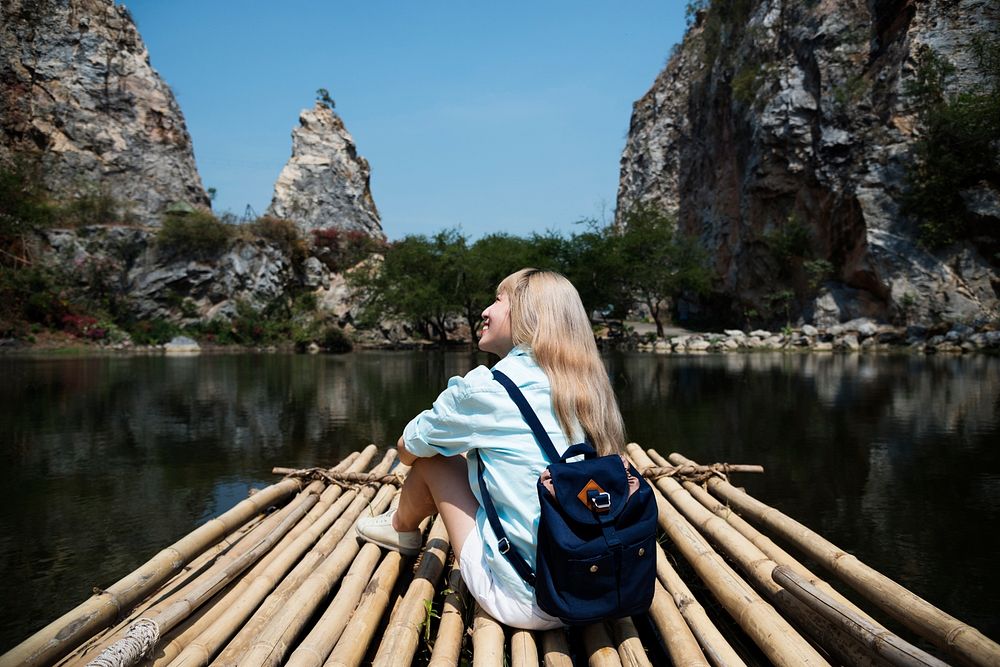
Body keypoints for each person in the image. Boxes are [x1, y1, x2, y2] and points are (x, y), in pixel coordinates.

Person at [355, 268, 626, 629]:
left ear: (529, 314)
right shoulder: (591, 385)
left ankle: (401, 527)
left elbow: (408, 448)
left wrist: (438, 441)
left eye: (499, 300)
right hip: (605, 587)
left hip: (533, 598)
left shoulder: (488, 387)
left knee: (435, 460)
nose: (485, 310)